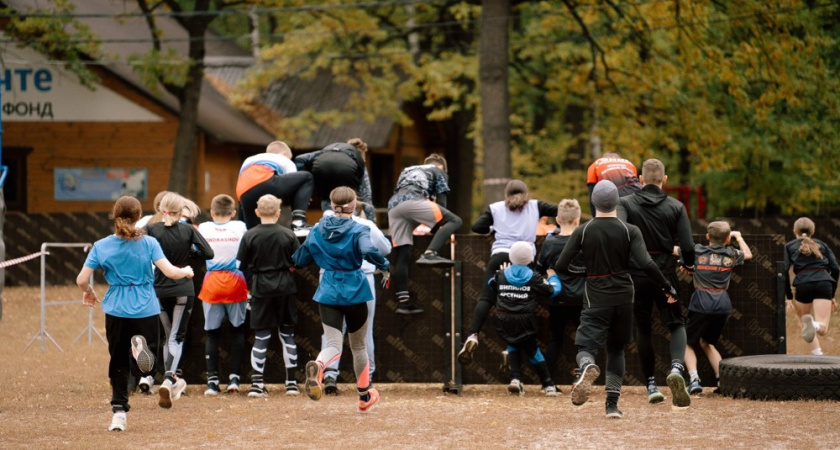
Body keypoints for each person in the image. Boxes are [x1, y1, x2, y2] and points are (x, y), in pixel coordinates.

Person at [555, 180, 677, 419]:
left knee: (585, 346)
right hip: (624, 295)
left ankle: (588, 364)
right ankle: (612, 405)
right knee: (616, 349)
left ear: (594, 202)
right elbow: (646, 263)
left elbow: (561, 265)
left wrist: (586, 273)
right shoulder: (629, 230)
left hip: (596, 294)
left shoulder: (584, 230)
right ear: (616, 202)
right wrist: (667, 285)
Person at [76, 196, 194, 431]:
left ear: (115, 216)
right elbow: (170, 272)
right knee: (148, 366)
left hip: (116, 307)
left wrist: (88, 292)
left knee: (118, 361)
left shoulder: (101, 245)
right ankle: (142, 359)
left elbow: (81, 279)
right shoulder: (149, 243)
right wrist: (187, 272)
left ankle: (119, 413)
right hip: (145, 306)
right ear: (139, 217)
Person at [293, 187, 390, 412]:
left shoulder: (317, 229)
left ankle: (318, 366)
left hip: (328, 289)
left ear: (331, 204)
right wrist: (384, 266)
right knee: (358, 346)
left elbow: (300, 258)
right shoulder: (359, 228)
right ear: (353, 205)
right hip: (355, 289)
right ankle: (364, 396)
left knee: (334, 344)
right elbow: (369, 250)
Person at [616, 158, 696, 406]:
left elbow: (619, 233)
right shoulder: (676, 206)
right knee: (676, 324)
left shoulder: (625, 203)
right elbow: (689, 246)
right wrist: (689, 263)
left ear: (640, 180)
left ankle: (650, 383)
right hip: (665, 275)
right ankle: (675, 368)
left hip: (636, 275)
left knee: (643, 329)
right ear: (664, 180)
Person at [457, 180, 557, 364]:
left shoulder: (495, 208)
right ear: (526, 194)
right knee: (521, 303)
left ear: (505, 195)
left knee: (487, 298)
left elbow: (476, 227)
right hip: (525, 259)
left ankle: (473, 334)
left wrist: (493, 228)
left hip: (500, 255)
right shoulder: (536, 206)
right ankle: (512, 349)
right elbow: (560, 212)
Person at [144, 193, 214, 408]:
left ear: (161, 209)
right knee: (176, 337)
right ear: (180, 210)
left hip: (159, 289)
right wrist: (189, 255)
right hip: (183, 288)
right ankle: (168, 378)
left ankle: (167, 377)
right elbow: (208, 253)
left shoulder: (151, 229)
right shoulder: (187, 230)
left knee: (167, 337)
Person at [320, 201, 391, 395]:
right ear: (355, 206)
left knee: (331, 333)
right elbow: (386, 248)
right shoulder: (365, 225)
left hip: (329, 278)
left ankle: (328, 375)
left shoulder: (322, 224)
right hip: (361, 278)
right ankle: (365, 380)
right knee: (362, 334)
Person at [236, 194, 302, 398]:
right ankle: (291, 384)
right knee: (287, 335)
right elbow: (298, 261)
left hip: (261, 288)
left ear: (256, 212)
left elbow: (241, 265)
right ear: (278, 212)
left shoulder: (249, 235)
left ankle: (257, 385)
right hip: (286, 287)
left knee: (261, 336)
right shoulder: (288, 234)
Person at [678, 222, 752, 394]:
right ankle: (722, 381)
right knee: (707, 342)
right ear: (728, 239)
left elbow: (674, 250)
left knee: (686, 343)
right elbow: (748, 254)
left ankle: (694, 379)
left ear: (707, 237)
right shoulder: (732, 253)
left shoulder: (697, 250)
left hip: (701, 302)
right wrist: (739, 237)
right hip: (723, 304)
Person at [387, 154, 462, 314]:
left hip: (393, 205)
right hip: (414, 200)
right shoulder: (440, 171)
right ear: (442, 167)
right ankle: (430, 253)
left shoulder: (408, 170)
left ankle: (404, 301)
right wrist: (437, 231)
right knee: (455, 221)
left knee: (404, 252)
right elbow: (442, 202)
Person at [492, 241, 562, 396]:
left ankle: (515, 380)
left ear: (510, 256)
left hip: (504, 318)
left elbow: (492, 284)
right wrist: (554, 277)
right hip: (525, 320)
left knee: (512, 343)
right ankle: (548, 385)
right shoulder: (534, 277)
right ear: (531, 259)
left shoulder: (501, 274)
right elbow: (552, 291)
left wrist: (501, 275)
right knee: (532, 350)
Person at [197, 194, 249, 396]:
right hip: (236, 282)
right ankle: (234, 379)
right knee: (237, 330)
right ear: (233, 213)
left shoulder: (204, 228)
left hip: (212, 283)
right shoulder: (240, 227)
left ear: (211, 212)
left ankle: (212, 382)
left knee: (212, 332)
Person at [534, 199, 586, 384]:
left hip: (558, 298)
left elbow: (539, 271)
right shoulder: (584, 242)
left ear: (557, 219)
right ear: (577, 220)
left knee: (555, 339)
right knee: (584, 340)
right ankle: (580, 377)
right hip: (582, 299)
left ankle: (548, 382)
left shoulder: (550, 244)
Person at [784, 217, 839, 355]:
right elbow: (836, 268)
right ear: (813, 231)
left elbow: (784, 270)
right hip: (823, 283)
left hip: (803, 285)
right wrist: (831, 295)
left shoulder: (789, 246)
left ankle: (818, 354)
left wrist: (789, 297)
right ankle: (814, 325)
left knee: (805, 322)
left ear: (794, 231)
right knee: (823, 329)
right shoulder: (822, 244)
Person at [236, 140, 314, 233]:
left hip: (243, 194)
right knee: (307, 177)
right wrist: (304, 197)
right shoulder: (281, 158)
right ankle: (298, 222)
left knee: (253, 232)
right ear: (284, 153)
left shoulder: (249, 159)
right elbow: (294, 184)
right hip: (264, 182)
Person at [293, 138, 376, 222]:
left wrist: (303, 189)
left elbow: (300, 159)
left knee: (327, 196)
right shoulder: (357, 159)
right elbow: (366, 195)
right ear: (361, 154)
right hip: (346, 170)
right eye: (364, 159)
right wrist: (371, 223)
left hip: (320, 166)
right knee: (348, 196)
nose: (364, 161)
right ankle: (348, 221)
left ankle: (323, 219)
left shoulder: (328, 150)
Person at [586, 152, 642, 217]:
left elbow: (592, 196)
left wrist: (595, 218)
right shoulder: (629, 164)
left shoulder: (596, 164)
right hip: (635, 194)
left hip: (613, 194)